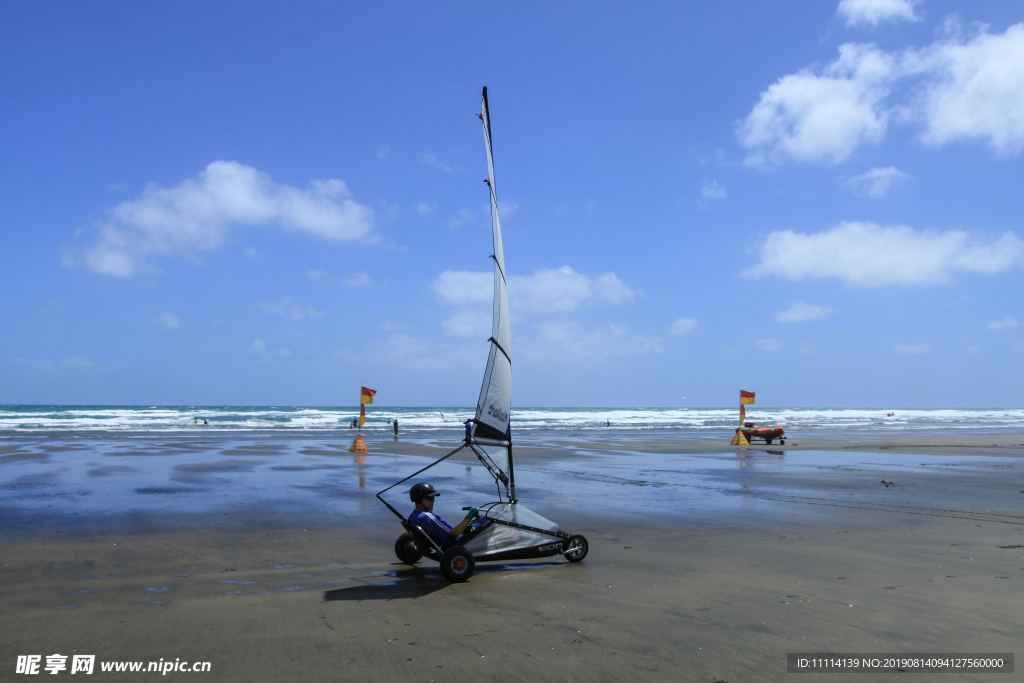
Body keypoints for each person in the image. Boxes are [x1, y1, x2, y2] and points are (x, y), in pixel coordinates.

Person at [406, 482, 478, 549]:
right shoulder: (427, 517)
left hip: (442, 542)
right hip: (454, 544)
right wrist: (469, 516)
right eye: (430, 498)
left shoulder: (413, 516)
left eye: (433, 498)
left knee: (474, 525)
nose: (433, 500)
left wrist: (464, 526)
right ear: (419, 499)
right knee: (484, 523)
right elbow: (455, 533)